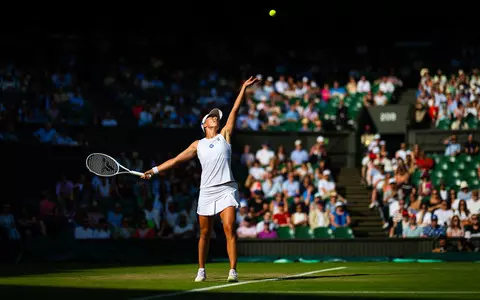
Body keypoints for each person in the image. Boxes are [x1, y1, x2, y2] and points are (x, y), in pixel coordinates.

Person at [142, 76, 260, 283]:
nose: (216, 118)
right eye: (211, 117)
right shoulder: (197, 144)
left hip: (226, 189)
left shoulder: (225, 135)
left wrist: (242, 88)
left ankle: (232, 271)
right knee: (205, 233)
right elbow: (176, 160)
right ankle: (201, 270)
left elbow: (234, 111)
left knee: (229, 228)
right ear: (204, 124)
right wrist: (153, 170)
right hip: (206, 191)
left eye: (216, 117)